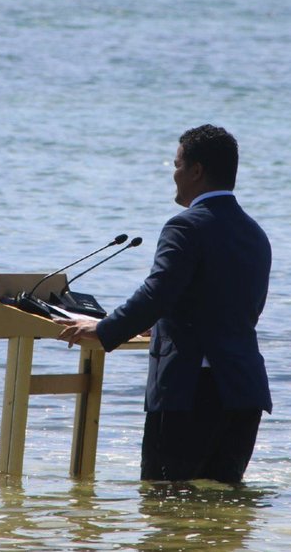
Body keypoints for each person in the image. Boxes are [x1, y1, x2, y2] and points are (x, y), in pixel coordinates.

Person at [56, 124, 272, 483]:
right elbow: (237, 308)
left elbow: (157, 292)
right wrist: (162, 323)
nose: (174, 174)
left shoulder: (185, 227)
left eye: (177, 165)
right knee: (221, 520)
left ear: (196, 171)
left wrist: (105, 329)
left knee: (164, 506)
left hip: (191, 391)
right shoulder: (255, 233)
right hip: (243, 392)